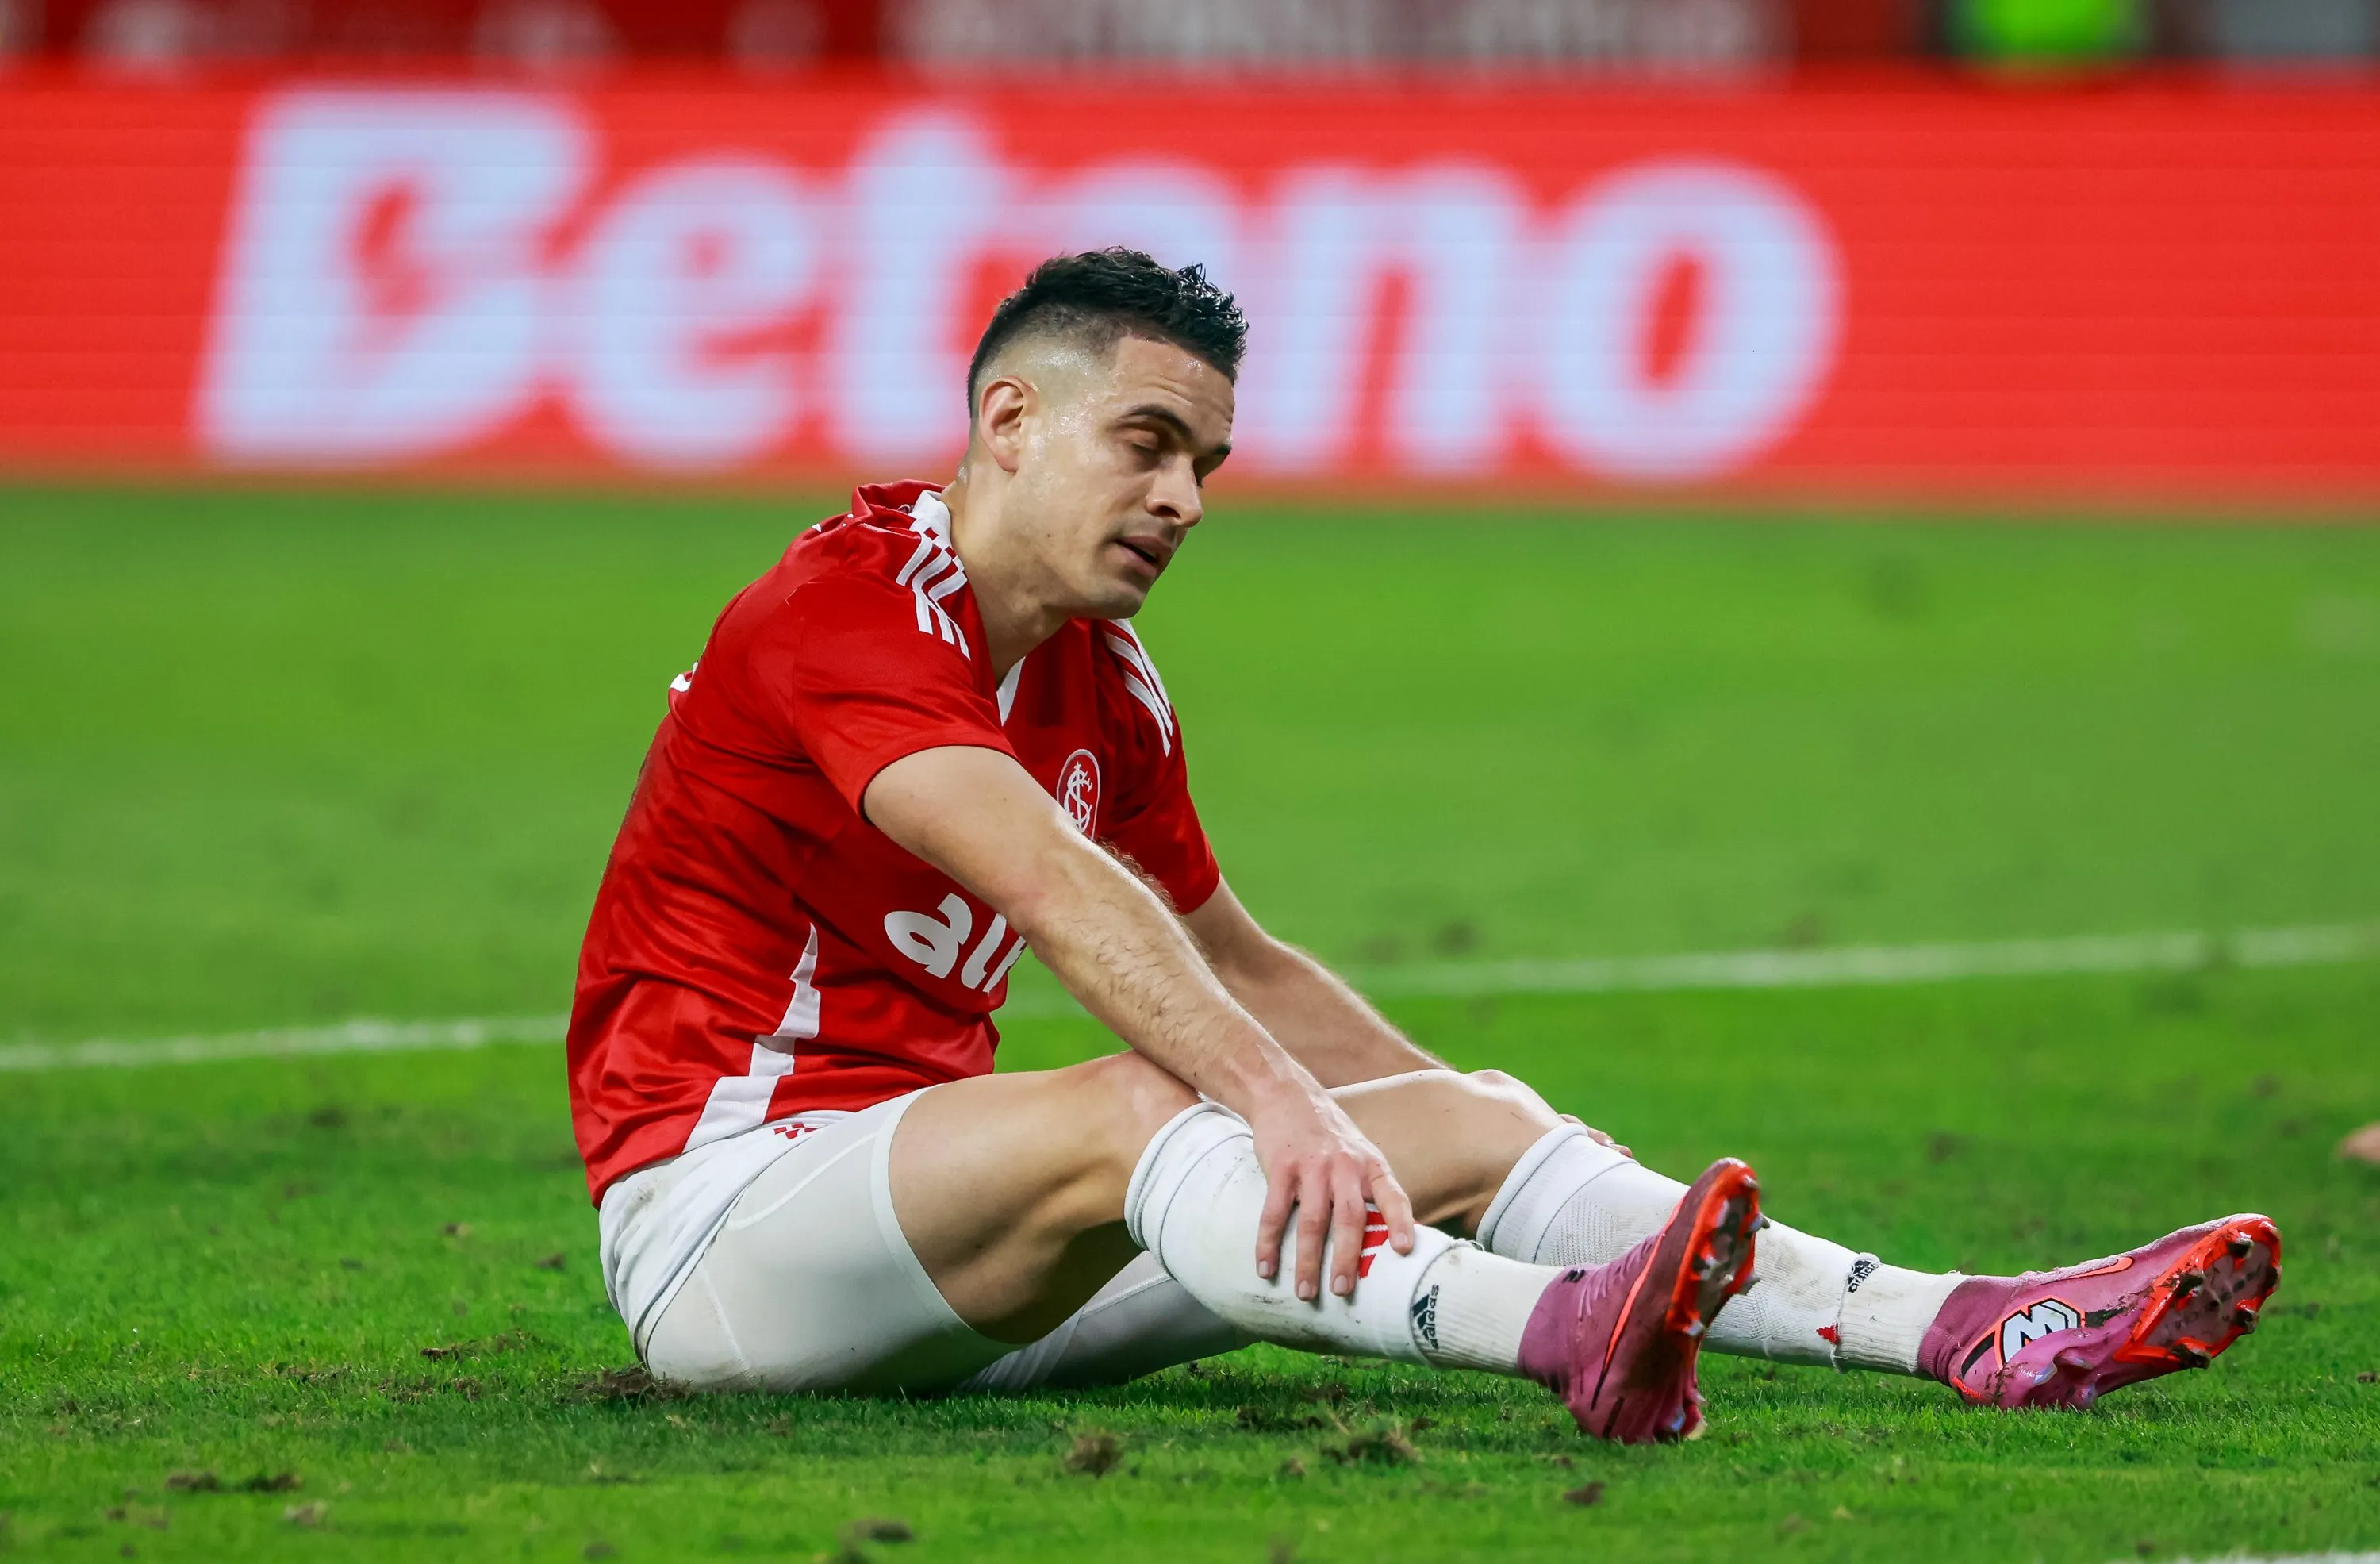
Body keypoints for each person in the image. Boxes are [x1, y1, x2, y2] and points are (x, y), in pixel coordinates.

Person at [566, 249, 2279, 1440]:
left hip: (948, 1266)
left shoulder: (1105, 682)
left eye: (1208, 465)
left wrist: (1429, 1128)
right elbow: (1063, 892)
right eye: (1145, 444)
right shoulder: (846, 611)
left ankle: (1966, 1322)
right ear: (1009, 424)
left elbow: (1231, 958)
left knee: (1473, 1113)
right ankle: (1563, 1338)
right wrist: (1288, 1109)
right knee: (1150, 1098)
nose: (1183, 500)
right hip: (729, 1233)